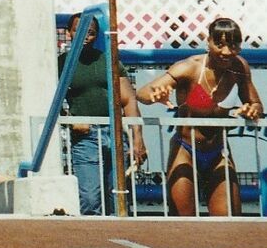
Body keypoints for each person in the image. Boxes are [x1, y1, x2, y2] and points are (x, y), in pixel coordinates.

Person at [137, 16, 263, 217]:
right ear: (209, 42)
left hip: (218, 150)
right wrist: (155, 96)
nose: (226, 52)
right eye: (219, 44)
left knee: (231, 223)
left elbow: (255, 103)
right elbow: (142, 93)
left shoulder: (239, 67)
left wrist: (252, 109)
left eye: (233, 45)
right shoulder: (190, 67)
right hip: (185, 149)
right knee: (183, 222)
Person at [59, 13, 145, 216]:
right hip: (85, 138)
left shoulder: (109, 61)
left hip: (115, 134)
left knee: (118, 197)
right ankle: (92, 240)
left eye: (90, 32)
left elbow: (128, 99)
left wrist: (137, 139)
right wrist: (71, 122)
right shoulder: (62, 63)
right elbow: (49, 100)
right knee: (90, 199)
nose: (85, 36)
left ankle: (117, 240)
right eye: (79, 31)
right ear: (69, 33)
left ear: (96, 35)